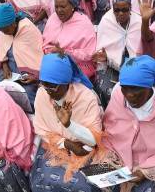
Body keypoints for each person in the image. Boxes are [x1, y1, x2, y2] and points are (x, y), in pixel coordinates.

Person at [101, 55, 155, 192]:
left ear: (150, 86)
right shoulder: (118, 94)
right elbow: (111, 130)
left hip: (154, 165)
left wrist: (144, 171)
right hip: (119, 157)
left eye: (136, 88)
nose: (129, 95)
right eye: (125, 88)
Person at [30, 53, 103, 192]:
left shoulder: (86, 98)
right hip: (55, 144)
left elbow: (94, 140)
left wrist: (70, 125)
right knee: (41, 180)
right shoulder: (42, 94)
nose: (48, 91)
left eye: (52, 86)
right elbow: (41, 129)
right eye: (44, 84)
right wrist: (65, 143)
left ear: (67, 82)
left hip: (85, 149)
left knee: (82, 186)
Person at [93, 0, 142, 105]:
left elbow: (143, 50)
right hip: (110, 66)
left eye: (125, 10)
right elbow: (101, 51)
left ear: (130, 8)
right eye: (117, 10)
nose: (120, 13)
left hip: (136, 66)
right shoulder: (106, 21)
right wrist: (107, 57)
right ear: (112, 8)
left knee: (138, 89)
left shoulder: (139, 21)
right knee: (106, 89)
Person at [43, 0, 97, 79]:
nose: (59, 10)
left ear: (72, 6)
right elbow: (45, 42)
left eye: (63, 7)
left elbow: (89, 53)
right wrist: (51, 51)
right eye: (56, 7)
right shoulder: (53, 18)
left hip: (77, 67)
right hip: (53, 62)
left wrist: (65, 52)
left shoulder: (84, 23)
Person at [0, 3, 43, 104]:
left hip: (30, 72)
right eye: (1, 31)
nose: (4, 33)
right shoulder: (5, 30)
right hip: (10, 69)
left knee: (26, 93)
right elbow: (3, 51)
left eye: (6, 30)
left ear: (13, 23)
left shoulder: (28, 29)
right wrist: (5, 65)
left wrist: (35, 77)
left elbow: (39, 56)